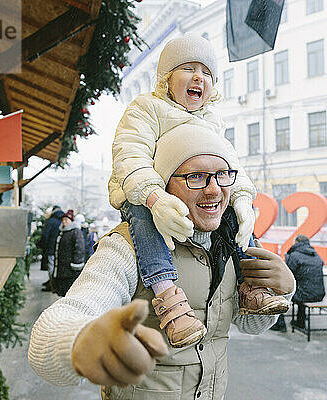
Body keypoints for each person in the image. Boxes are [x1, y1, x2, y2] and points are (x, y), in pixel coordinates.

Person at [28, 125, 295, 399]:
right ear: (165, 186)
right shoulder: (128, 246)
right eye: (196, 177)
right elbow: (50, 335)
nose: (214, 190)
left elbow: (251, 325)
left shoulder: (233, 241)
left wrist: (281, 291)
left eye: (222, 175)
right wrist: (82, 343)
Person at [108, 33, 283, 348]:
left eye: (206, 73)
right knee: (144, 218)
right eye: (188, 68)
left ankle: (252, 286)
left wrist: (243, 200)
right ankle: (166, 295)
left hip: (189, 194)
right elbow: (129, 157)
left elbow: (230, 165)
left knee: (235, 218)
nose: (198, 78)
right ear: (167, 79)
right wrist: (155, 197)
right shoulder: (147, 107)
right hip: (144, 194)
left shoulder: (213, 119)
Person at [272, 234, 325, 331]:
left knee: (278, 295)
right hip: (318, 294)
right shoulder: (316, 255)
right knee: (304, 288)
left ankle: (280, 324)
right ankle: (300, 322)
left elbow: (287, 275)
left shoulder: (294, 256)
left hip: (304, 294)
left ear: (296, 243)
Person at [52, 210, 86, 296]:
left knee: (69, 291)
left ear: (71, 221)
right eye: (63, 220)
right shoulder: (62, 231)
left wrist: (76, 264)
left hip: (71, 269)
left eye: (66, 220)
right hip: (62, 268)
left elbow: (79, 248)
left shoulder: (75, 232)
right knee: (63, 291)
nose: (64, 222)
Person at [39, 206, 64, 290]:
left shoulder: (50, 221)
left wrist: (42, 246)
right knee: (57, 266)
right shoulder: (63, 220)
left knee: (51, 266)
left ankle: (52, 285)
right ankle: (53, 283)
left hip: (50, 248)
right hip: (61, 248)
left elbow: (45, 235)